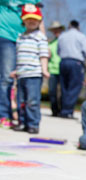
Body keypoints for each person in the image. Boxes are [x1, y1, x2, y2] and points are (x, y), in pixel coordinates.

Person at [0, 0, 41, 128]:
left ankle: (23, 117)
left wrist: (42, 39)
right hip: (5, 34)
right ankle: (4, 115)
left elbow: (39, 16)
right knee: (7, 77)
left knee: (24, 77)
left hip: (26, 36)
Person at [10, 4, 49, 134]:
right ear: (23, 20)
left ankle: (33, 124)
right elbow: (19, 55)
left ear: (39, 21)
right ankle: (23, 122)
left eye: (35, 19)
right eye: (28, 19)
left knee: (32, 101)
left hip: (34, 74)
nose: (31, 21)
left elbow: (43, 54)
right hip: (22, 74)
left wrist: (44, 69)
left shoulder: (40, 37)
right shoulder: (20, 37)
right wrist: (16, 70)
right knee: (21, 101)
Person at [57, 20, 86, 118]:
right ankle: (67, 111)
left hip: (63, 62)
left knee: (64, 87)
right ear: (78, 26)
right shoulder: (81, 36)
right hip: (76, 63)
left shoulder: (62, 36)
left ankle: (63, 109)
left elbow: (58, 51)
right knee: (74, 87)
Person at [47, 21, 64, 117]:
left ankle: (62, 110)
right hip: (52, 70)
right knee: (52, 91)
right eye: (54, 30)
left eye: (57, 29)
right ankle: (54, 110)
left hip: (62, 69)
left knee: (63, 92)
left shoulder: (65, 40)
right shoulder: (51, 43)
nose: (56, 31)